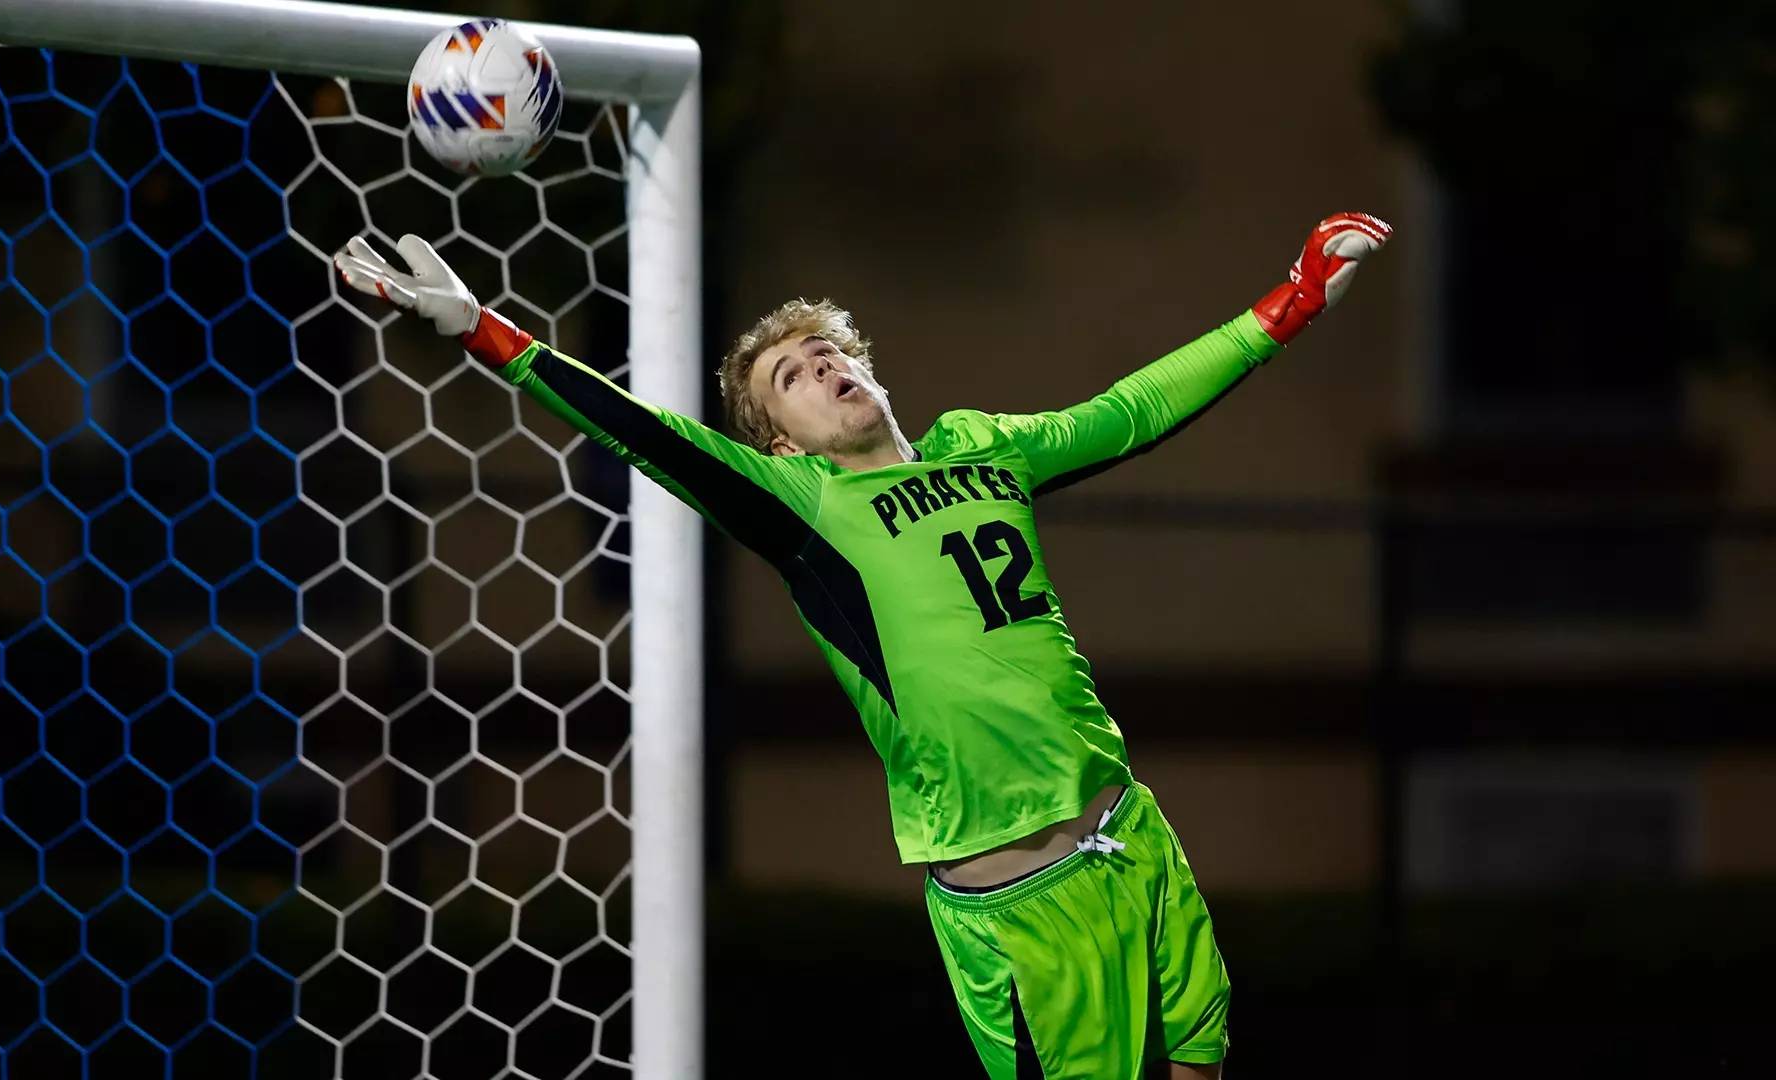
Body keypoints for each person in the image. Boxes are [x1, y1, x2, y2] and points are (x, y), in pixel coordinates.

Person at [335, 211, 1392, 1078]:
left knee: (1205, 1061)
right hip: (1021, 911)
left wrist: (1287, 304)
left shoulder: (988, 447)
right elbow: (644, 435)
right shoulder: (806, 506)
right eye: (791, 374)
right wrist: (487, 331)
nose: (823, 366)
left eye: (829, 351)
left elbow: (1133, 409)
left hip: (1136, 836)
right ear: (782, 442)